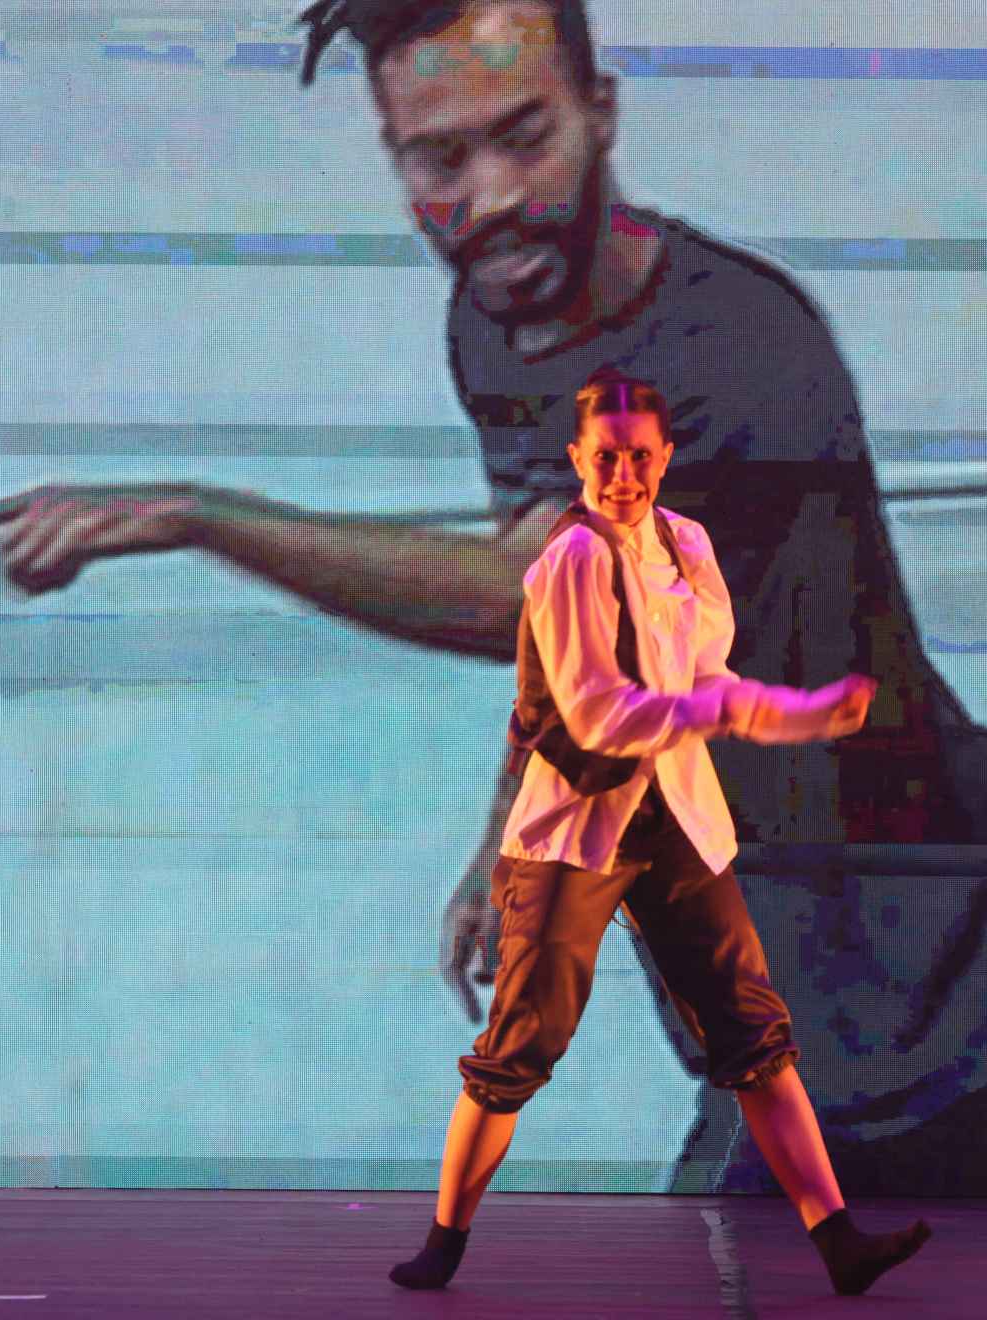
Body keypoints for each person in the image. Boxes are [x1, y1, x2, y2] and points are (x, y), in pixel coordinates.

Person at [0, 0, 987, 1201]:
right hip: (790, 949)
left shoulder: (736, 351)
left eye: (524, 137)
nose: (490, 197)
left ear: (601, 115)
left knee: (745, 1256)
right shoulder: (501, 320)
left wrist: (200, 518)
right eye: (440, 159)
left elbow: (533, 603)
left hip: (931, 962)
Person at [382, 364, 929, 1293]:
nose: (624, 475)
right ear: (578, 458)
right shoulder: (568, 561)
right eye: (607, 458)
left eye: (639, 457)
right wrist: (728, 711)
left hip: (674, 820)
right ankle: (445, 1239)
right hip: (576, 831)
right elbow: (600, 715)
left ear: (665, 457)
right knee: (519, 1050)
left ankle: (839, 1241)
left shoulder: (686, 547)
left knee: (754, 1037)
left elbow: (710, 680)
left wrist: (802, 714)